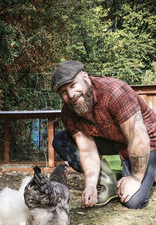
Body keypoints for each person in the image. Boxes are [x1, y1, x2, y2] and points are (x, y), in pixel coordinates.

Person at [51, 60, 156, 209]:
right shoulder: (68, 113)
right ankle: (109, 179)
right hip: (114, 140)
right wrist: (91, 185)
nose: (71, 95)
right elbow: (87, 150)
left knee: (133, 201)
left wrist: (135, 178)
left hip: (147, 141)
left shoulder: (115, 91)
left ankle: (142, 172)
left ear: (86, 77)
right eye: (63, 92)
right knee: (61, 140)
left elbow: (138, 137)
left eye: (73, 85)